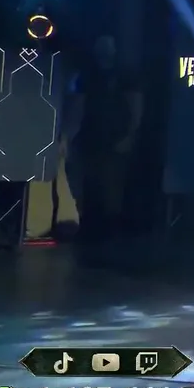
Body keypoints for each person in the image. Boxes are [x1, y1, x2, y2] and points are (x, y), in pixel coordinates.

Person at [62, 35, 142, 243]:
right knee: (86, 184)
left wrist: (129, 135)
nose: (103, 49)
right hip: (89, 138)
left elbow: (135, 106)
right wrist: (70, 135)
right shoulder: (87, 75)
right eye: (100, 44)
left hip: (114, 139)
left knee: (111, 187)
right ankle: (88, 227)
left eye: (108, 45)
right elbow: (77, 105)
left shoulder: (124, 76)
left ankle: (109, 231)